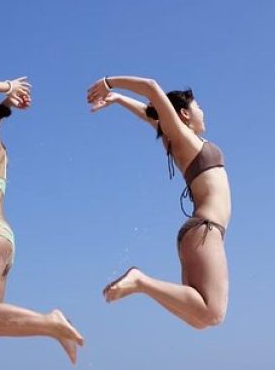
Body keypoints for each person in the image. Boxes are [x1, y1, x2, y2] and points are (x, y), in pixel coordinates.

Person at [0, 77, 84, 363]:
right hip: (0, 239)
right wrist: (4, 105)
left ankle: (51, 321)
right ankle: (53, 329)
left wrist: (7, 87)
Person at [87, 76, 231, 329]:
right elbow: (152, 88)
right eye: (199, 107)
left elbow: (150, 114)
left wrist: (119, 99)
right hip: (205, 228)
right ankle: (141, 281)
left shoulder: (179, 136)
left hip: (203, 231)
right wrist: (110, 83)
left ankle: (142, 283)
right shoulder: (183, 137)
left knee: (201, 318)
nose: (204, 111)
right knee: (212, 313)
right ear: (185, 114)